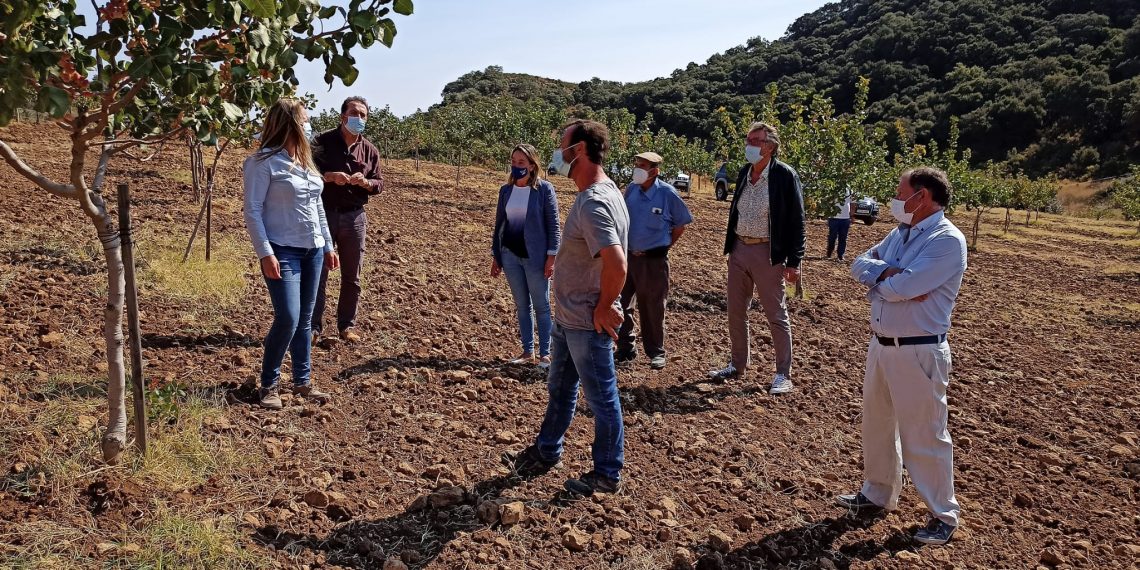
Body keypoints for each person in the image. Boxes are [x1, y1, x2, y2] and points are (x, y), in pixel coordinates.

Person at [835, 167, 967, 546]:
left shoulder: (947, 241)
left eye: (900, 191)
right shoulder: (901, 233)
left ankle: (943, 514)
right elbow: (860, 264)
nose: (895, 199)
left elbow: (905, 287)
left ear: (921, 196)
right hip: (882, 345)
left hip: (919, 350)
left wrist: (886, 281)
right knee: (877, 424)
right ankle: (877, 493)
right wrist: (889, 275)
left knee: (925, 434)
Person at [502, 119, 630, 497]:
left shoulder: (593, 202)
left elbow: (618, 262)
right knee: (560, 388)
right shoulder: (607, 192)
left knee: (602, 399)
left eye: (563, 146)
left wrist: (605, 306)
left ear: (581, 151)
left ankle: (607, 473)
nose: (558, 153)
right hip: (569, 317)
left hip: (586, 320)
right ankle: (546, 450)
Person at [243, 98, 338, 410]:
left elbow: (318, 207)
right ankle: (269, 383)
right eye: (305, 120)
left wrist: (327, 244)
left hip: (312, 250)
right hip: (282, 250)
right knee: (288, 317)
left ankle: (302, 381)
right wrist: (265, 252)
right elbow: (253, 211)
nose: (309, 125)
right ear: (290, 124)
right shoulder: (261, 163)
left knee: (306, 320)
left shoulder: (307, 163)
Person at [708, 122, 806, 395]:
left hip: (768, 253)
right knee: (736, 311)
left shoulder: (785, 176)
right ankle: (738, 365)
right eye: (748, 139)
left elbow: (798, 221)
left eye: (756, 140)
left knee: (775, 313)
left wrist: (794, 261)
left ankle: (783, 374)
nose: (749, 144)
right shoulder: (745, 172)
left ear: (770, 146)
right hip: (740, 248)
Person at [311, 96, 384, 343]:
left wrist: (367, 183)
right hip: (324, 214)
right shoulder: (321, 142)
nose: (359, 119)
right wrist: (328, 177)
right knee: (318, 272)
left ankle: (346, 326)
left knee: (352, 275)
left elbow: (379, 183)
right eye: (355, 113)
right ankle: (313, 326)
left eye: (363, 115)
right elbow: (306, 171)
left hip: (355, 218)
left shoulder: (370, 150)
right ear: (343, 116)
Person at [615, 151, 693, 370]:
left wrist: (663, 247)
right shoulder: (631, 190)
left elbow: (680, 226)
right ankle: (626, 347)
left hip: (653, 261)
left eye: (643, 165)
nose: (637, 168)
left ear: (655, 171)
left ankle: (656, 351)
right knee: (621, 303)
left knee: (652, 306)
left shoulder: (667, 194)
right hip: (628, 257)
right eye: (636, 164)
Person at [490, 144, 561, 368]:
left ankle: (546, 354)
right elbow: (499, 224)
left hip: (535, 257)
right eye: (514, 162)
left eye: (521, 162)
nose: (517, 166)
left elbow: (554, 226)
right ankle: (527, 351)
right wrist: (497, 255)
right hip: (510, 255)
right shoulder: (506, 191)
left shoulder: (544, 190)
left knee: (541, 305)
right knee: (522, 305)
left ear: (532, 165)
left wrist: (552, 256)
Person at [827, 187, 854, 261]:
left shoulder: (849, 189)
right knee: (832, 237)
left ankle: (840, 255)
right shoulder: (833, 187)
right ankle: (829, 252)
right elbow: (827, 201)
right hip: (833, 217)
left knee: (843, 238)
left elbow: (852, 203)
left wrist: (852, 215)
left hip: (845, 218)